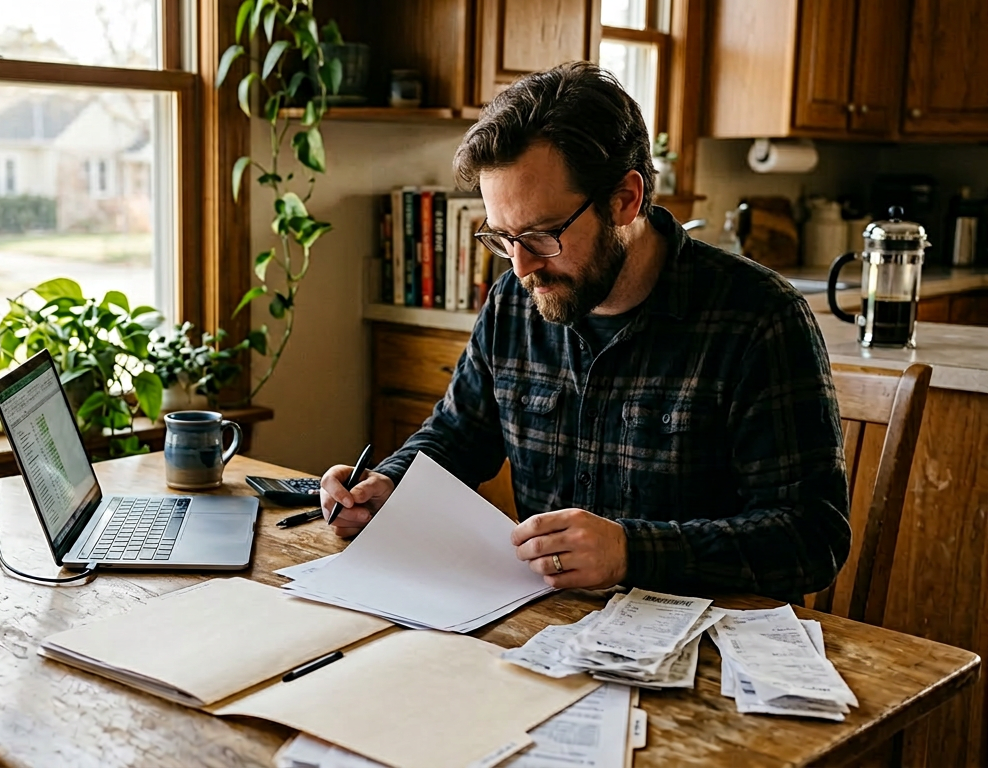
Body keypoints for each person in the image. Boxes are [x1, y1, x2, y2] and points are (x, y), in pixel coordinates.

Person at [319, 62, 849, 603]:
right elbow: (456, 438)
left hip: (709, 647)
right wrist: (389, 485)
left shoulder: (759, 319)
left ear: (625, 199)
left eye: (542, 234)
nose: (521, 267)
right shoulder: (512, 305)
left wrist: (631, 551)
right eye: (502, 238)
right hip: (546, 628)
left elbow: (812, 538)